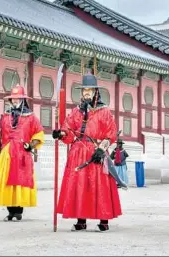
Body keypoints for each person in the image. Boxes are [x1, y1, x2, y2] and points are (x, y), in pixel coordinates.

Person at [52, 73, 121, 232]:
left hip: (96, 151)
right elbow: (68, 131)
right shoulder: (76, 112)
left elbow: (111, 133)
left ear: (96, 91)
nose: (86, 93)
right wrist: (60, 134)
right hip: (78, 152)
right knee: (79, 186)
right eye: (84, 90)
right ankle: (80, 220)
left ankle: (104, 220)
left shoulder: (104, 112)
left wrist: (101, 149)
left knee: (100, 186)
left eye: (89, 90)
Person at [0, 84, 45, 221]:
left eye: (17, 98)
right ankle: (10, 211)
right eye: (13, 99)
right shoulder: (4, 116)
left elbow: (39, 135)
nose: (15, 101)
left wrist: (31, 145)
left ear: (22, 99)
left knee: (20, 181)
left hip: (22, 154)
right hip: (7, 154)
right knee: (7, 181)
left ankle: (18, 211)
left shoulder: (31, 117)